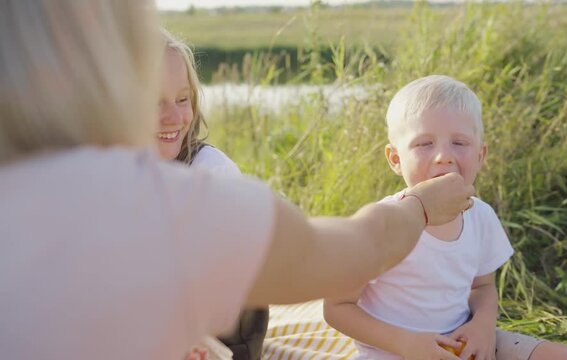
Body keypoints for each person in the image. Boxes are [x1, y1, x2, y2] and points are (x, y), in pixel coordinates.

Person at [0, 2, 474, 360]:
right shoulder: (157, 206)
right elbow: (352, 253)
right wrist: (422, 204)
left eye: (182, 99)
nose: (171, 116)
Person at [323, 75, 567, 360]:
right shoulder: (386, 223)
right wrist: (406, 343)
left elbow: (482, 287)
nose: (443, 156)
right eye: (424, 144)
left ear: (480, 155)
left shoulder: (480, 216)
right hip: (394, 352)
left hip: (467, 343)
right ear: (396, 159)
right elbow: (337, 307)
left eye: (459, 143)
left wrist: (483, 326)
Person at [157, 29, 267, 360]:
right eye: (154, 102)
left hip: (224, 337)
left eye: (182, 99)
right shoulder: (108, 173)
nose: (175, 117)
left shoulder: (209, 173)